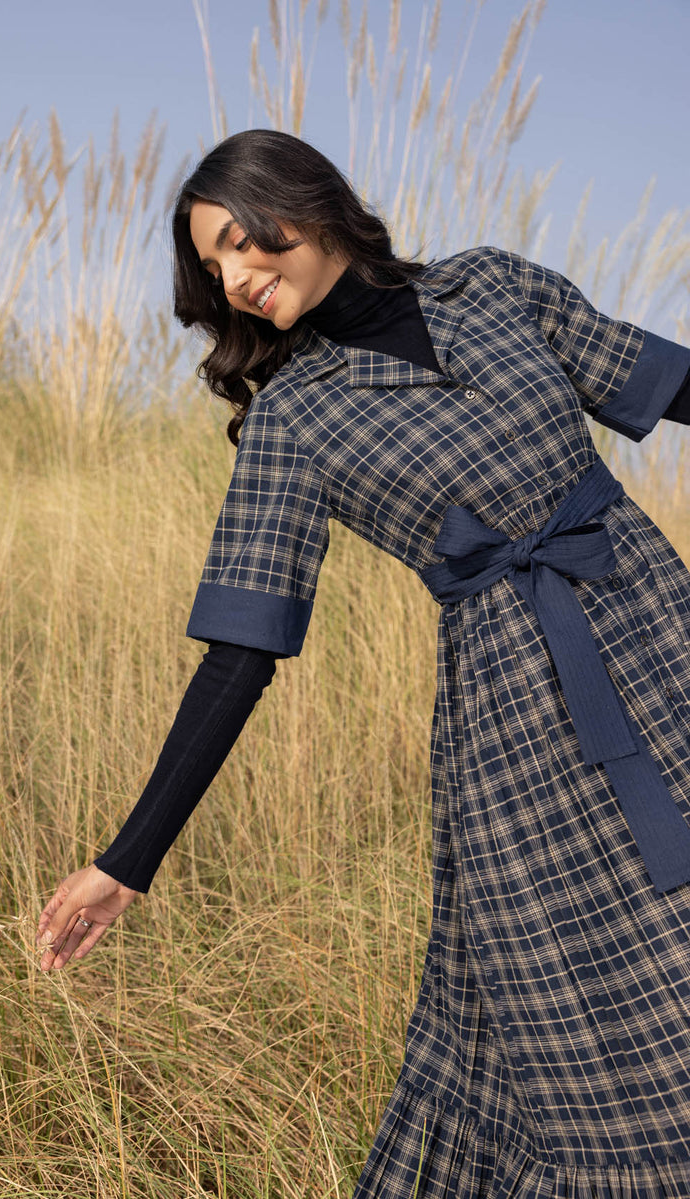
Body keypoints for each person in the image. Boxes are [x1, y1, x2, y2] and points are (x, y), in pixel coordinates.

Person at [37, 129, 690, 1196]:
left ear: (311, 200)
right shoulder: (291, 418)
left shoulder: (494, 287)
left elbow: (663, 382)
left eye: (245, 242)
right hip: (516, 724)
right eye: (213, 271)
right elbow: (239, 654)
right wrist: (128, 859)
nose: (239, 279)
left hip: (656, 631)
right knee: (592, 1027)